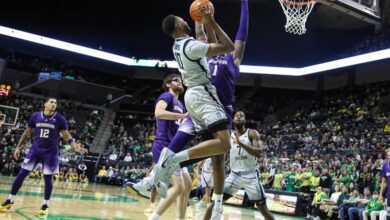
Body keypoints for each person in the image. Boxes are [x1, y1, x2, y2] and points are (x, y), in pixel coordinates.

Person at [0, 97, 87, 215]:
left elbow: (66, 135)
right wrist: (18, 147)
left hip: (50, 152)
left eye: (55, 103)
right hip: (35, 150)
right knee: (21, 174)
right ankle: (10, 199)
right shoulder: (35, 116)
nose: (54, 104)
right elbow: (27, 133)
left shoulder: (59, 118)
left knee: (47, 178)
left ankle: (45, 204)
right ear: (45, 104)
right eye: (51, 102)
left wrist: (74, 145)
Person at [204, 111, 275, 220]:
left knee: (264, 210)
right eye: (236, 115)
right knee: (215, 203)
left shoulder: (252, 133)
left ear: (245, 120)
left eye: (241, 116)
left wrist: (240, 143)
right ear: (232, 120)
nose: (238, 117)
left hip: (250, 176)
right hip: (234, 175)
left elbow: (259, 153)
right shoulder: (228, 135)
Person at [146, 74, 193, 220]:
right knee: (179, 186)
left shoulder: (181, 104)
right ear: (168, 84)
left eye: (181, 80)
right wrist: (183, 117)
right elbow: (158, 113)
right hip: (164, 144)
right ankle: (154, 216)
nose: (180, 82)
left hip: (174, 146)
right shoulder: (167, 96)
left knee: (188, 184)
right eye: (176, 80)